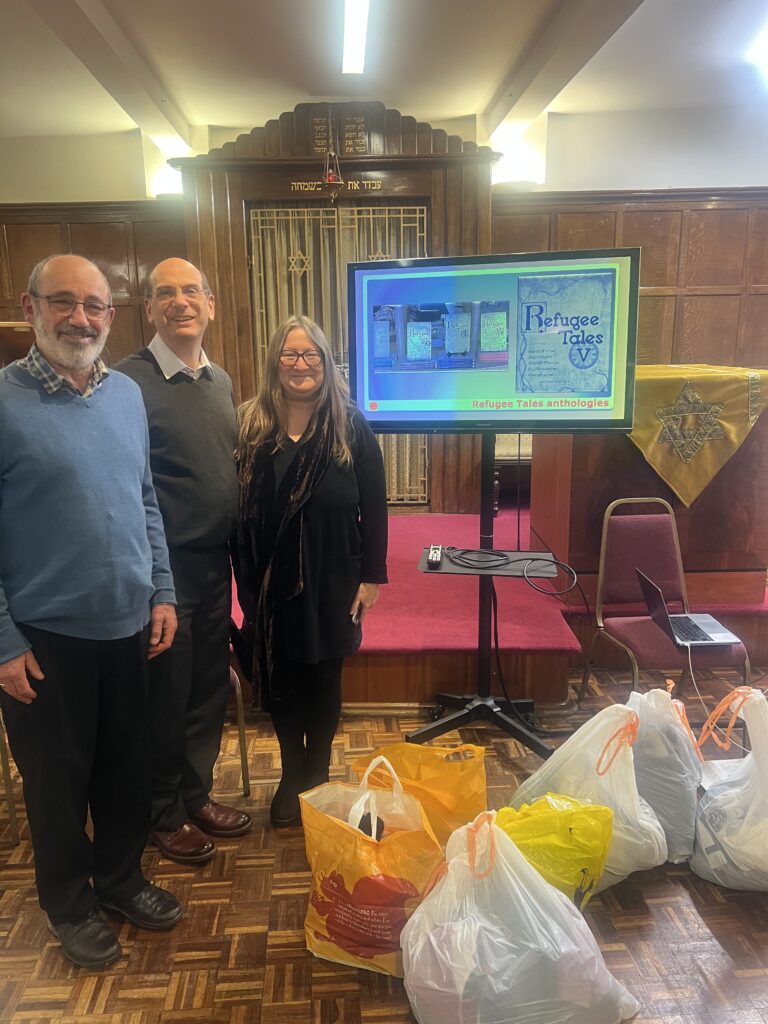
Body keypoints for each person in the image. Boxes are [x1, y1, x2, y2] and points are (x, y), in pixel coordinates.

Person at [0, 254, 182, 969]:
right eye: (64, 302)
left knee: (124, 772)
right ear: (31, 306)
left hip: (129, 624)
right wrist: (4, 642)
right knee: (56, 783)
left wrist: (162, 589)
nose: (80, 318)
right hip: (44, 638)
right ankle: (69, 904)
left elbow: (143, 500)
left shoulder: (126, 395)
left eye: (95, 306)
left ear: (112, 314)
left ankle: (120, 879)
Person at [116, 259, 250, 866]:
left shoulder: (219, 381)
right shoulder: (126, 384)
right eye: (164, 293)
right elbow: (125, 489)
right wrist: (153, 585)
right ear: (148, 310)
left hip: (212, 567)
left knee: (205, 692)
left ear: (210, 303)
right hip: (158, 576)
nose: (179, 302)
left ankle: (194, 795)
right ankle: (162, 812)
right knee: (162, 700)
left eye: (190, 290)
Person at [236, 315, 388, 828]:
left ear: (325, 363)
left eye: (311, 356)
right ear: (274, 361)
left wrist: (372, 578)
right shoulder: (251, 424)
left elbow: (376, 506)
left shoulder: (350, 423)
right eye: (290, 354)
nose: (300, 365)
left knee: (323, 676)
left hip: (333, 573)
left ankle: (318, 772)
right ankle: (290, 771)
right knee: (281, 677)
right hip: (269, 578)